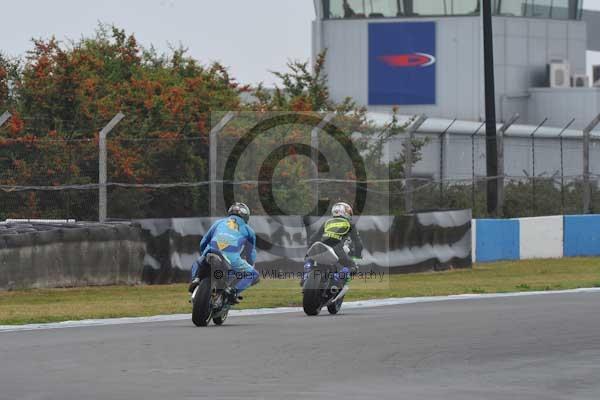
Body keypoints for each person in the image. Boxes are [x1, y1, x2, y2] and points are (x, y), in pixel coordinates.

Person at [188, 202, 259, 304]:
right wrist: (250, 264)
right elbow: (251, 253)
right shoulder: (248, 230)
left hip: (211, 252)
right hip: (231, 258)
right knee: (254, 275)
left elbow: (203, 242)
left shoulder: (218, 222)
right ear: (246, 216)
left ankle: (196, 279)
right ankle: (233, 291)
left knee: (198, 262)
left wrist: (204, 254)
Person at [305, 202, 363, 288]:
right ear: (345, 212)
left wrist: (310, 249)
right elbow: (358, 243)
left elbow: (313, 238)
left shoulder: (327, 222)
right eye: (348, 212)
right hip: (337, 249)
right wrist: (357, 255)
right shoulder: (350, 224)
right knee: (353, 267)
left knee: (309, 257)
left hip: (321, 246)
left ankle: (306, 274)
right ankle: (337, 278)